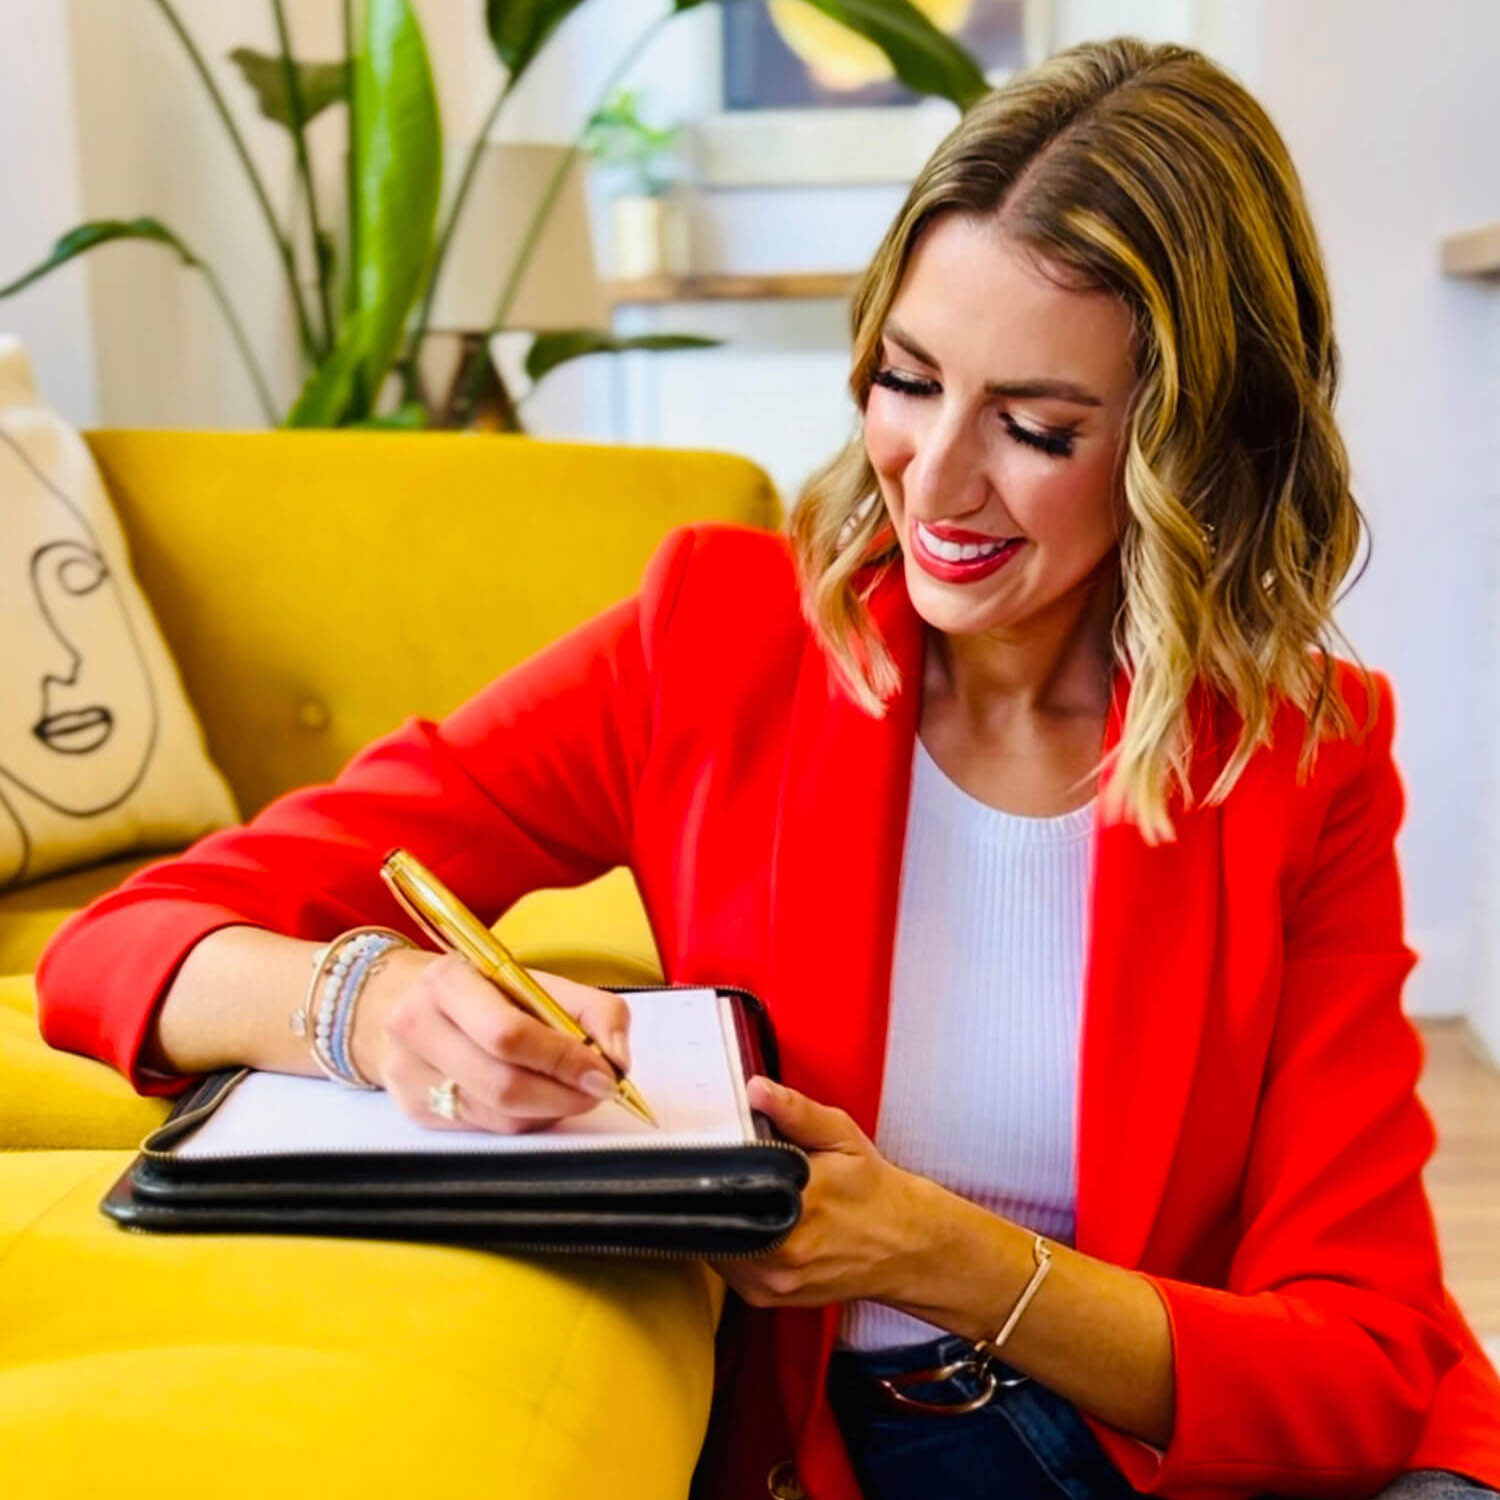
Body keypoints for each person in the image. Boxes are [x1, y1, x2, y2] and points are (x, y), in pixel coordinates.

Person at [35, 35, 1500, 1500]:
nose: (931, 477)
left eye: (1036, 427)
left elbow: (1363, 1367)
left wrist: (941, 1252)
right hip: (892, 1448)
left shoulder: (1304, 759)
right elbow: (119, 948)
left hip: (1191, 1450)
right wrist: (379, 1004)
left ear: (1190, 453)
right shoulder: (715, 646)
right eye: (908, 380)